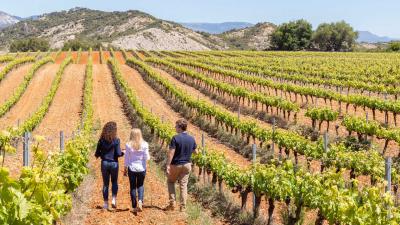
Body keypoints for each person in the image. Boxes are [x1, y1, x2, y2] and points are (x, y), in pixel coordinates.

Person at [166, 119, 197, 212]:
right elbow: (196, 152)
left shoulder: (175, 138)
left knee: (171, 182)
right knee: (183, 185)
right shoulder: (192, 138)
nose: (175, 128)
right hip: (187, 165)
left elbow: (171, 153)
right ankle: (182, 207)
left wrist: (168, 164)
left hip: (176, 164)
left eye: (176, 126)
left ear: (180, 127)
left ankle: (172, 203)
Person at [95, 121, 124, 210]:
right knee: (114, 182)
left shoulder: (101, 140)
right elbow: (118, 153)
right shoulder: (116, 140)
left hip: (104, 163)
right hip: (114, 163)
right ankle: (114, 200)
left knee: (105, 184)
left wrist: (102, 154)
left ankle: (105, 204)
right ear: (114, 130)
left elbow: (96, 154)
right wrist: (123, 153)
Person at [123, 129, 150, 213]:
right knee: (140, 185)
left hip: (132, 168)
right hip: (142, 168)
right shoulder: (145, 144)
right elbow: (147, 157)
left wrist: (125, 168)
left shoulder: (128, 145)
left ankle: (134, 206)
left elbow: (126, 158)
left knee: (133, 187)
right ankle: (140, 201)